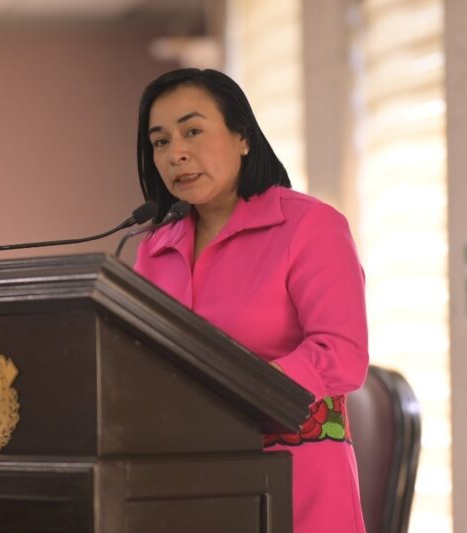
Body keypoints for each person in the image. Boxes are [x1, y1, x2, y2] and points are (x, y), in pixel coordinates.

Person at [133, 68, 369, 533]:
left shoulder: (310, 226)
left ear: (242, 136)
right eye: (160, 141)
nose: (176, 153)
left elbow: (342, 354)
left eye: (193, 131)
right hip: (186, 487)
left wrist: (233, 393)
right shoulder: (154, 249)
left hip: (296, 488)